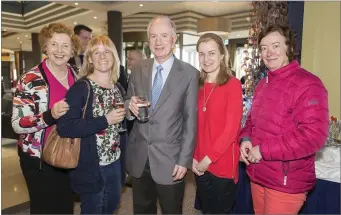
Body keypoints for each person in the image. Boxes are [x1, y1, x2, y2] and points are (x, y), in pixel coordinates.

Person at [239, 24, 329, 215]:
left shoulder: (309, 84)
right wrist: (245, 139)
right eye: (264, 48)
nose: (269, 52)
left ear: (288, 48)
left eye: (275, 45)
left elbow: (313, 137)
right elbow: (251, 121)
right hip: (258, 174)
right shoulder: (263, 84)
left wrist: (262, 150)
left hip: (286, 182)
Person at [125, 15, 199, 214]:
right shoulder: (139, 68)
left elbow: (191, 121)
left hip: (170, 160)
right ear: (148, 41)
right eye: (154, 36)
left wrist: (184, 160)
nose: (158, 42)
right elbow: (127, 102)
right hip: (140, 157)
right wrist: (128, 106)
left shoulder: (189, 73)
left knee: (171, 210)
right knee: (141, 210)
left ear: (174, 39)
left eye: (164, 36)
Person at [11, 23, 80, 214]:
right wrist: (50, 115)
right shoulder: (30, 79)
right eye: (54, 44)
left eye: (65, 45)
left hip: (69, 154)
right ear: (45, 47)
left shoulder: (77, 74)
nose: (59, 50)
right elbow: (17, 124)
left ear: (72, 49)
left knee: (66, 206)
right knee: (44, 208)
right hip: (38, 158)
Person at [57, 35, 126, 214]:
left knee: (111, 208)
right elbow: (65, 127)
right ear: (90, 59)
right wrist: (105, 120)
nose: (102, 57)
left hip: (115, 163)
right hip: (91, 166)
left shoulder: (117, 88)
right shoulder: (82, 88)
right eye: (97, 52)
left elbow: (120, 127)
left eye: (107, 52)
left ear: (114, 56)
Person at [193, 33, 243, 214]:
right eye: (201, 54)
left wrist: (208, 159)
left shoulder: (233, 85)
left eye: (212, 53)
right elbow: (191, 125)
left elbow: (231, 130)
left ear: (222, 55)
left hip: (221, 165)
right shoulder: (196, 85)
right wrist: (192, 157)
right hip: (198, 164)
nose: (206, 59)